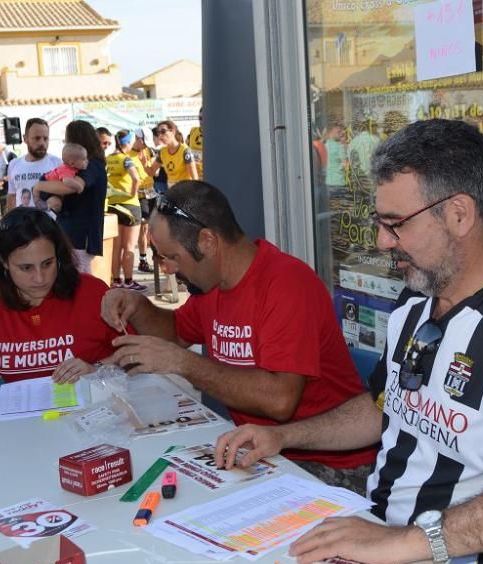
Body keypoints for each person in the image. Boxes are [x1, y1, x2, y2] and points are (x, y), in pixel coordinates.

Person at [215, 119, 483, 564]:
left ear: (459, 214)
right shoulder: (416, 303)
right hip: (383, 546)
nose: (381, 241)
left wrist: (404, 542)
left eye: (395, 223)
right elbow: (384, 408)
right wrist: (284, 437)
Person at [101, 181, 376, 489]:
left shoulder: (286, 285)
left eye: (173, 257)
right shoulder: (211, 286)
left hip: (331, 462)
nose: (167, 269)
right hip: (267, 453)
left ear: (207, 241)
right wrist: (137, 306)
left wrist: (184, 364)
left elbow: (279, 401)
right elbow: (175, 334)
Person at [0, 207, 123, 390]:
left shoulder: (92, 291)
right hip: (23, 419)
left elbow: (135, 353)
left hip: (92, 412)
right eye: (26, 268)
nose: (40, 278)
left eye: (47, 263)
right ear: (4, 262)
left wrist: (96, 369)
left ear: (59, 256)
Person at [34, 119, 107, 274]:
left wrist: (39, 187)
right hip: (71, 233)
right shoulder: (76, 166)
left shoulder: (91, 166)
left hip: (81, 235)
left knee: (80, 279)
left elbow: (69, 187)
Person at [106, 130, 147, 291]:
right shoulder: (126, 159)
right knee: (129, 247)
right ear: (127, 143)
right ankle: (129, 281)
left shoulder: (107, 159)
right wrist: (132, 193)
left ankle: (116, 280)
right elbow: (136, 178)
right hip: (129, 206)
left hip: (112, 206)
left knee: (116, 247)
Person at [6, 118, 62, 210]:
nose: (42, 143)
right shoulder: (14, 164)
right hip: (23, 223)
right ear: (25, 139)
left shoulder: (57, 163)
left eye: (45, 138)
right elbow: (12, 197)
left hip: (49, 223)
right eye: (37, 138)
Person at [131, 128, 157, 273]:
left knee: (154, 227)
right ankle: (143, 259)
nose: (146, 146)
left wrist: (149, 163)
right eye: (144, 142)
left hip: (152, 192)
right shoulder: (128, 154)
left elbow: (156, 172)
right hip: (140, 195)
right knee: (144, 228)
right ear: (137, 138)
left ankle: (158, 257)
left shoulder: (149, 151)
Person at [145, 119, 199, 186]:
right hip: (172, 192)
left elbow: (194, 177)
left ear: (172, 131)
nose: (160, 136)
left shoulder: (185, 151)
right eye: (158, 133)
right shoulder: (162, 152)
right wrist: (144, 164)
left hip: (185, 192)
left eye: (163, 131)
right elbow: (152, 172)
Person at [187, 106, 204, 180]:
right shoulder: (193, 131)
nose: (201, 121)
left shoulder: (215, 134)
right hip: (193, 175)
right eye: (200, 118)